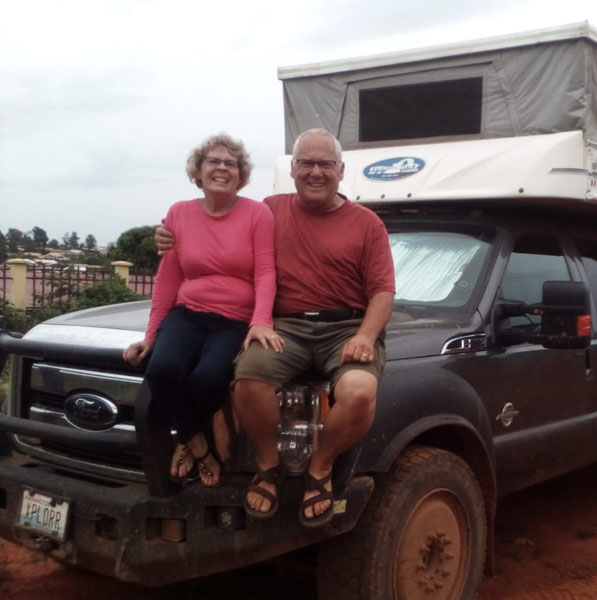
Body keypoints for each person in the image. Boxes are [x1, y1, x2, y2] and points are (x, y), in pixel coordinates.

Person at [156, 128, 395, 525]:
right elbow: (217, 221)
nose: (315, 172)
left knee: (359, 390)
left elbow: (383, 292)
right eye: (306, 163)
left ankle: (320, 468)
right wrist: (168, 234)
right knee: (247, 377)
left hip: (346, 326)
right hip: (286, 326)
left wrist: (366, 336)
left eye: (325, 164)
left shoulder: (367, 224)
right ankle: (267, 465)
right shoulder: (267, 209)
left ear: (340, 170)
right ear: (294, 168)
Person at [125, 133, 280, 488]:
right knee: (162, 369)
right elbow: (167, 281)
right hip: (189, 312)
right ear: (198, 171)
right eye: (213, 161)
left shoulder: (258, 214)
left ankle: (185, 439)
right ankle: (197, 443)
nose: (222, 168)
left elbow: (266, 272)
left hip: (234, 319)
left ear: (241, 175)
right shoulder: (178, 214)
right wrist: (151, 336)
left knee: (209, 378)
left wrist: (260, 321)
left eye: (231, 163)